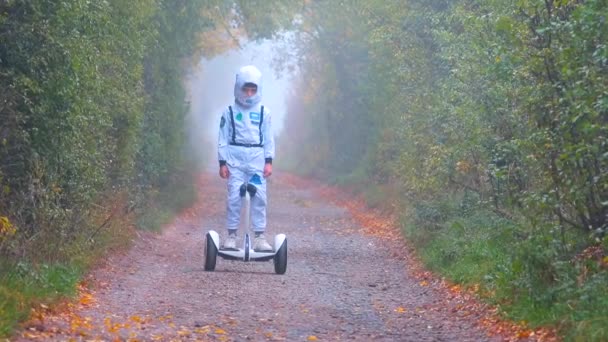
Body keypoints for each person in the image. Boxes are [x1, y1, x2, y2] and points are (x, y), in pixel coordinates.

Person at [217, 65, 275, 251]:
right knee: (234, 197)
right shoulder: (229, 111)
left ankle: (259, 236)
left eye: (253, 89)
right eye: (246, 89)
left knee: (259, 197)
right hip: (235, 160)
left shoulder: (264, 112)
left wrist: (269, 161)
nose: (249, 93)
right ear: (239, 88)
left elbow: (269, 138)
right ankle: (232, 235)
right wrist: (222, 162)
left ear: (258, 89)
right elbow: (223, 138)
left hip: (257, 159)